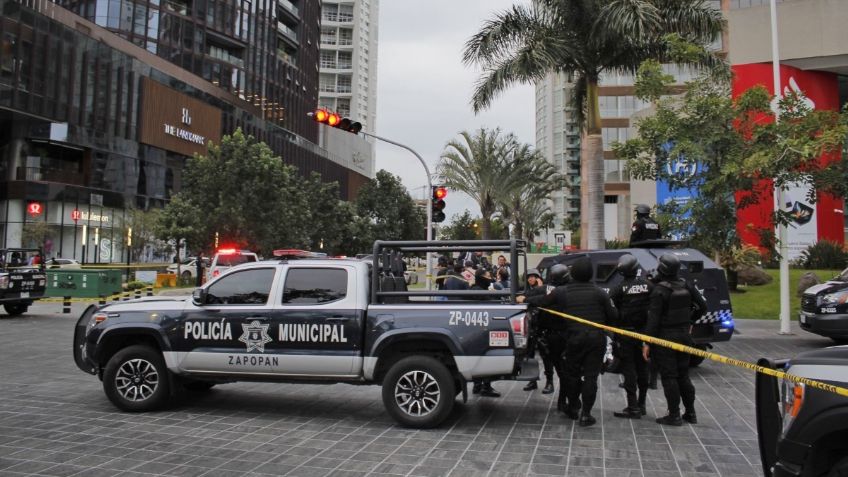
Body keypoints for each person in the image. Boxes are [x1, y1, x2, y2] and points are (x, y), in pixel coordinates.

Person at [520, 258, 616, 426]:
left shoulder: (562, 292)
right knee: (591, 378)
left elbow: (542, 301)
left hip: (574, 339)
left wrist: (524, 300)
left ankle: (572, 406)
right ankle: (586, 414)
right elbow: (613, 317)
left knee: (571, 375)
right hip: (596, 339)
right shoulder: (600, 292)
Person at [643, 253, 707, 426]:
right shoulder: (686, 284)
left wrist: (647, 342)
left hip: (665, 338)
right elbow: (703, 306)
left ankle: (674, 414)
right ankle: (690, 413)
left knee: (669, 376)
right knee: (683, 375)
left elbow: (653, 319)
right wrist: (690, 321)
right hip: (685, 336)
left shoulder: (659, 291)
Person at [608, 254, 652, 419]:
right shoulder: (648, 286)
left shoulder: (619, 289)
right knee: (643, 368)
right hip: (644, 334)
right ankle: (642, 404)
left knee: (629, 370)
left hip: (625, 335)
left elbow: (610, 310)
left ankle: (632, 407)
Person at [470, 268, 501, 398]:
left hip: (473, 329)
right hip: (482, 329)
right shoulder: (480, 292)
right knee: (486, 357)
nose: (490, 278)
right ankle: (486, 386)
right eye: (488, 276)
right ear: (482, 277)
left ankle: (477, 385)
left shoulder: (473, 289)